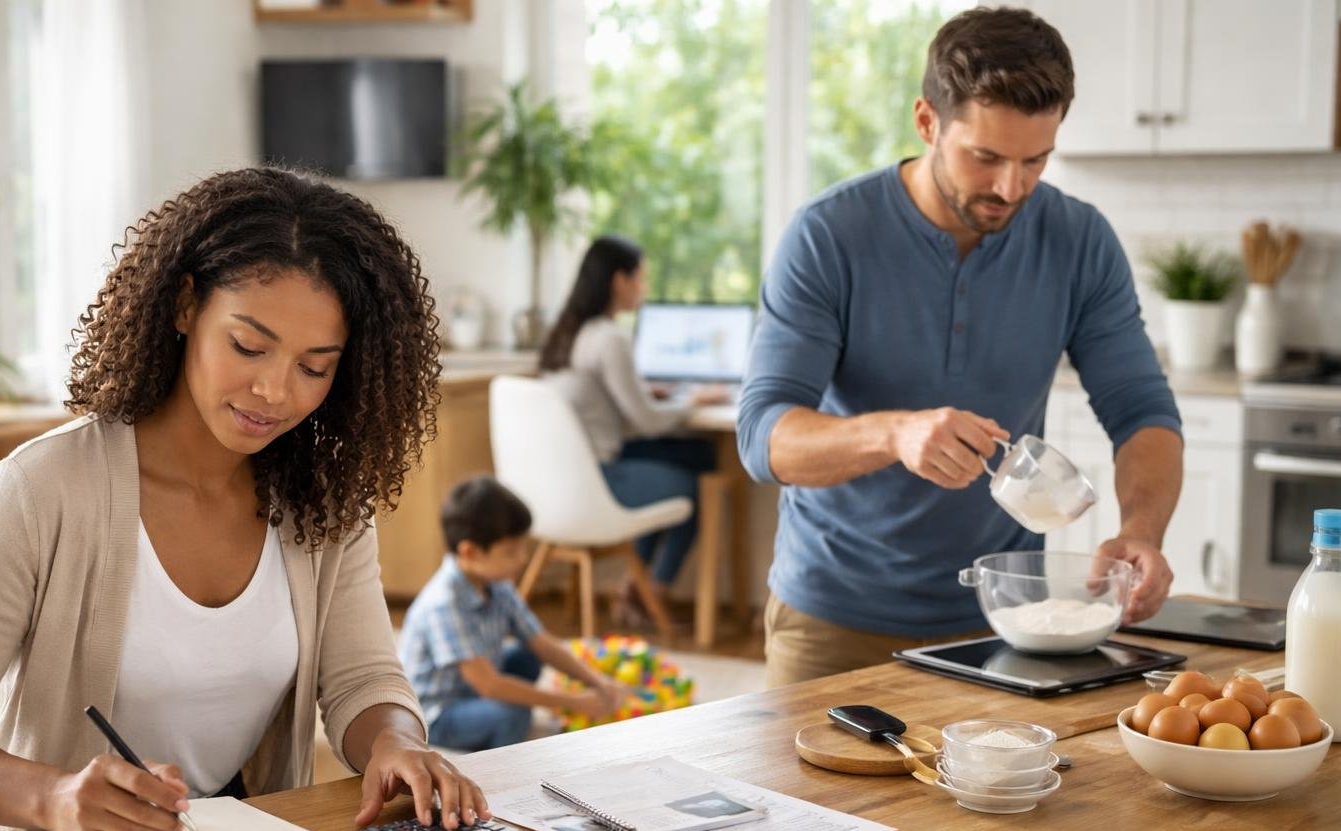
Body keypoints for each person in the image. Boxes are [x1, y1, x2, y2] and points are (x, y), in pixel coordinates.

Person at [0, 167, 489, 831]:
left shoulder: (324, 503)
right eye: (248, 346)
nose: (273, 391)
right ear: (186, 306)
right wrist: (53, 796)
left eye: (314, 367)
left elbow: (362, 680)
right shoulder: (45, 488)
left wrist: (396, 744)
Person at [737, 7, 1184, 688]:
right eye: (986, 157)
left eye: (1036, 160)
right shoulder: (829, 237)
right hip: (832, 622)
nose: (1012, 187)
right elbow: (765, 437)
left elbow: (1143, 410)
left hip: (1005, 618)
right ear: (927, 122)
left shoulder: (1079, 241)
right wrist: (896, 434)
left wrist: (1142, 531)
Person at [540, 235, 727, 627]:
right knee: (695, 484)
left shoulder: (565, 333)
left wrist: (647, 391)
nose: (643, 288)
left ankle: (636, 590)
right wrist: (697, 400)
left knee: (690, 460)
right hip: (602, 476)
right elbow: (646, 421)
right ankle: (648, 594)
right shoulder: (610, 338)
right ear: (618, 281)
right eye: (640, 279)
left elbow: (604, 405)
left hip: (559, 481)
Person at [399, 475, 629, 751]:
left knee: (531, 656)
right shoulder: (443, 603)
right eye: (511, 552)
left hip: (476, 682)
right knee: (515, 713)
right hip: (439, 712)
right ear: (470, 552)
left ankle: (495, 717)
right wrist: (573, 702)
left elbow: (542, 643)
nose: (522, 559)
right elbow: (489, 686)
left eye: (523, 548)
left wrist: (597, 681)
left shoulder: (497, 585)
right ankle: (499, 748)